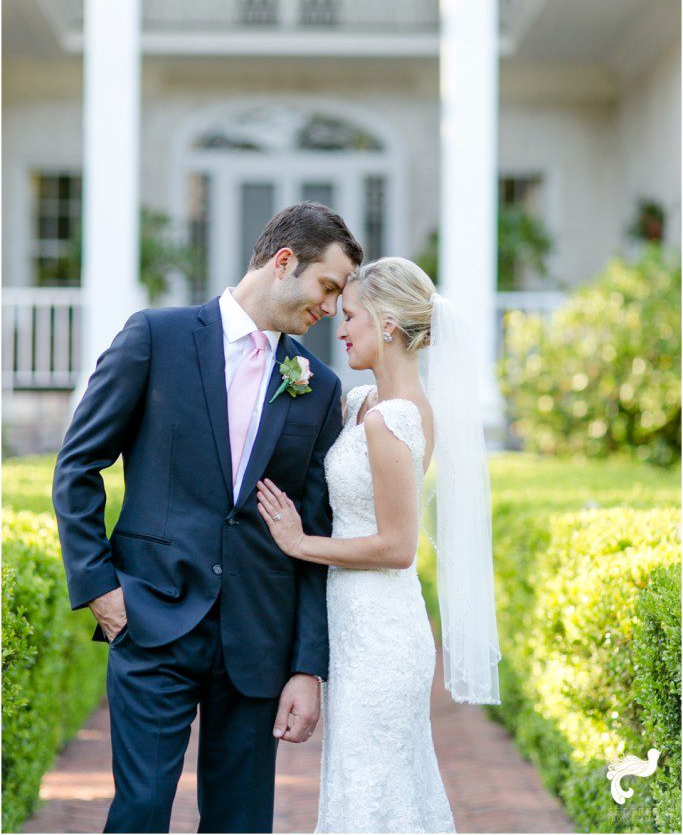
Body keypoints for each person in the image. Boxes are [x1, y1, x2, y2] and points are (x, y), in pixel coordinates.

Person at [52, 202, 363, 834]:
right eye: (327, 287)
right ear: (284, 263)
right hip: (150, 618)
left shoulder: (319, 386)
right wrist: (100, 591)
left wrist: (307, 666)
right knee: (139, 813)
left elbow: (315, 534)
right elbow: (78, 465)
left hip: (258, 640)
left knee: (240, 823)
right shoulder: (154, 337)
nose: (331, 308)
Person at [257, 256, 502, 834]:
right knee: (361, 789)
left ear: (387, 324)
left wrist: (300, 542)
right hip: (355, 628)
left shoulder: (395, 419)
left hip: (382, 638)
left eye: (350, 316)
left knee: (371, 794)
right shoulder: (361, 404)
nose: (339, 329)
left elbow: (397, 546)